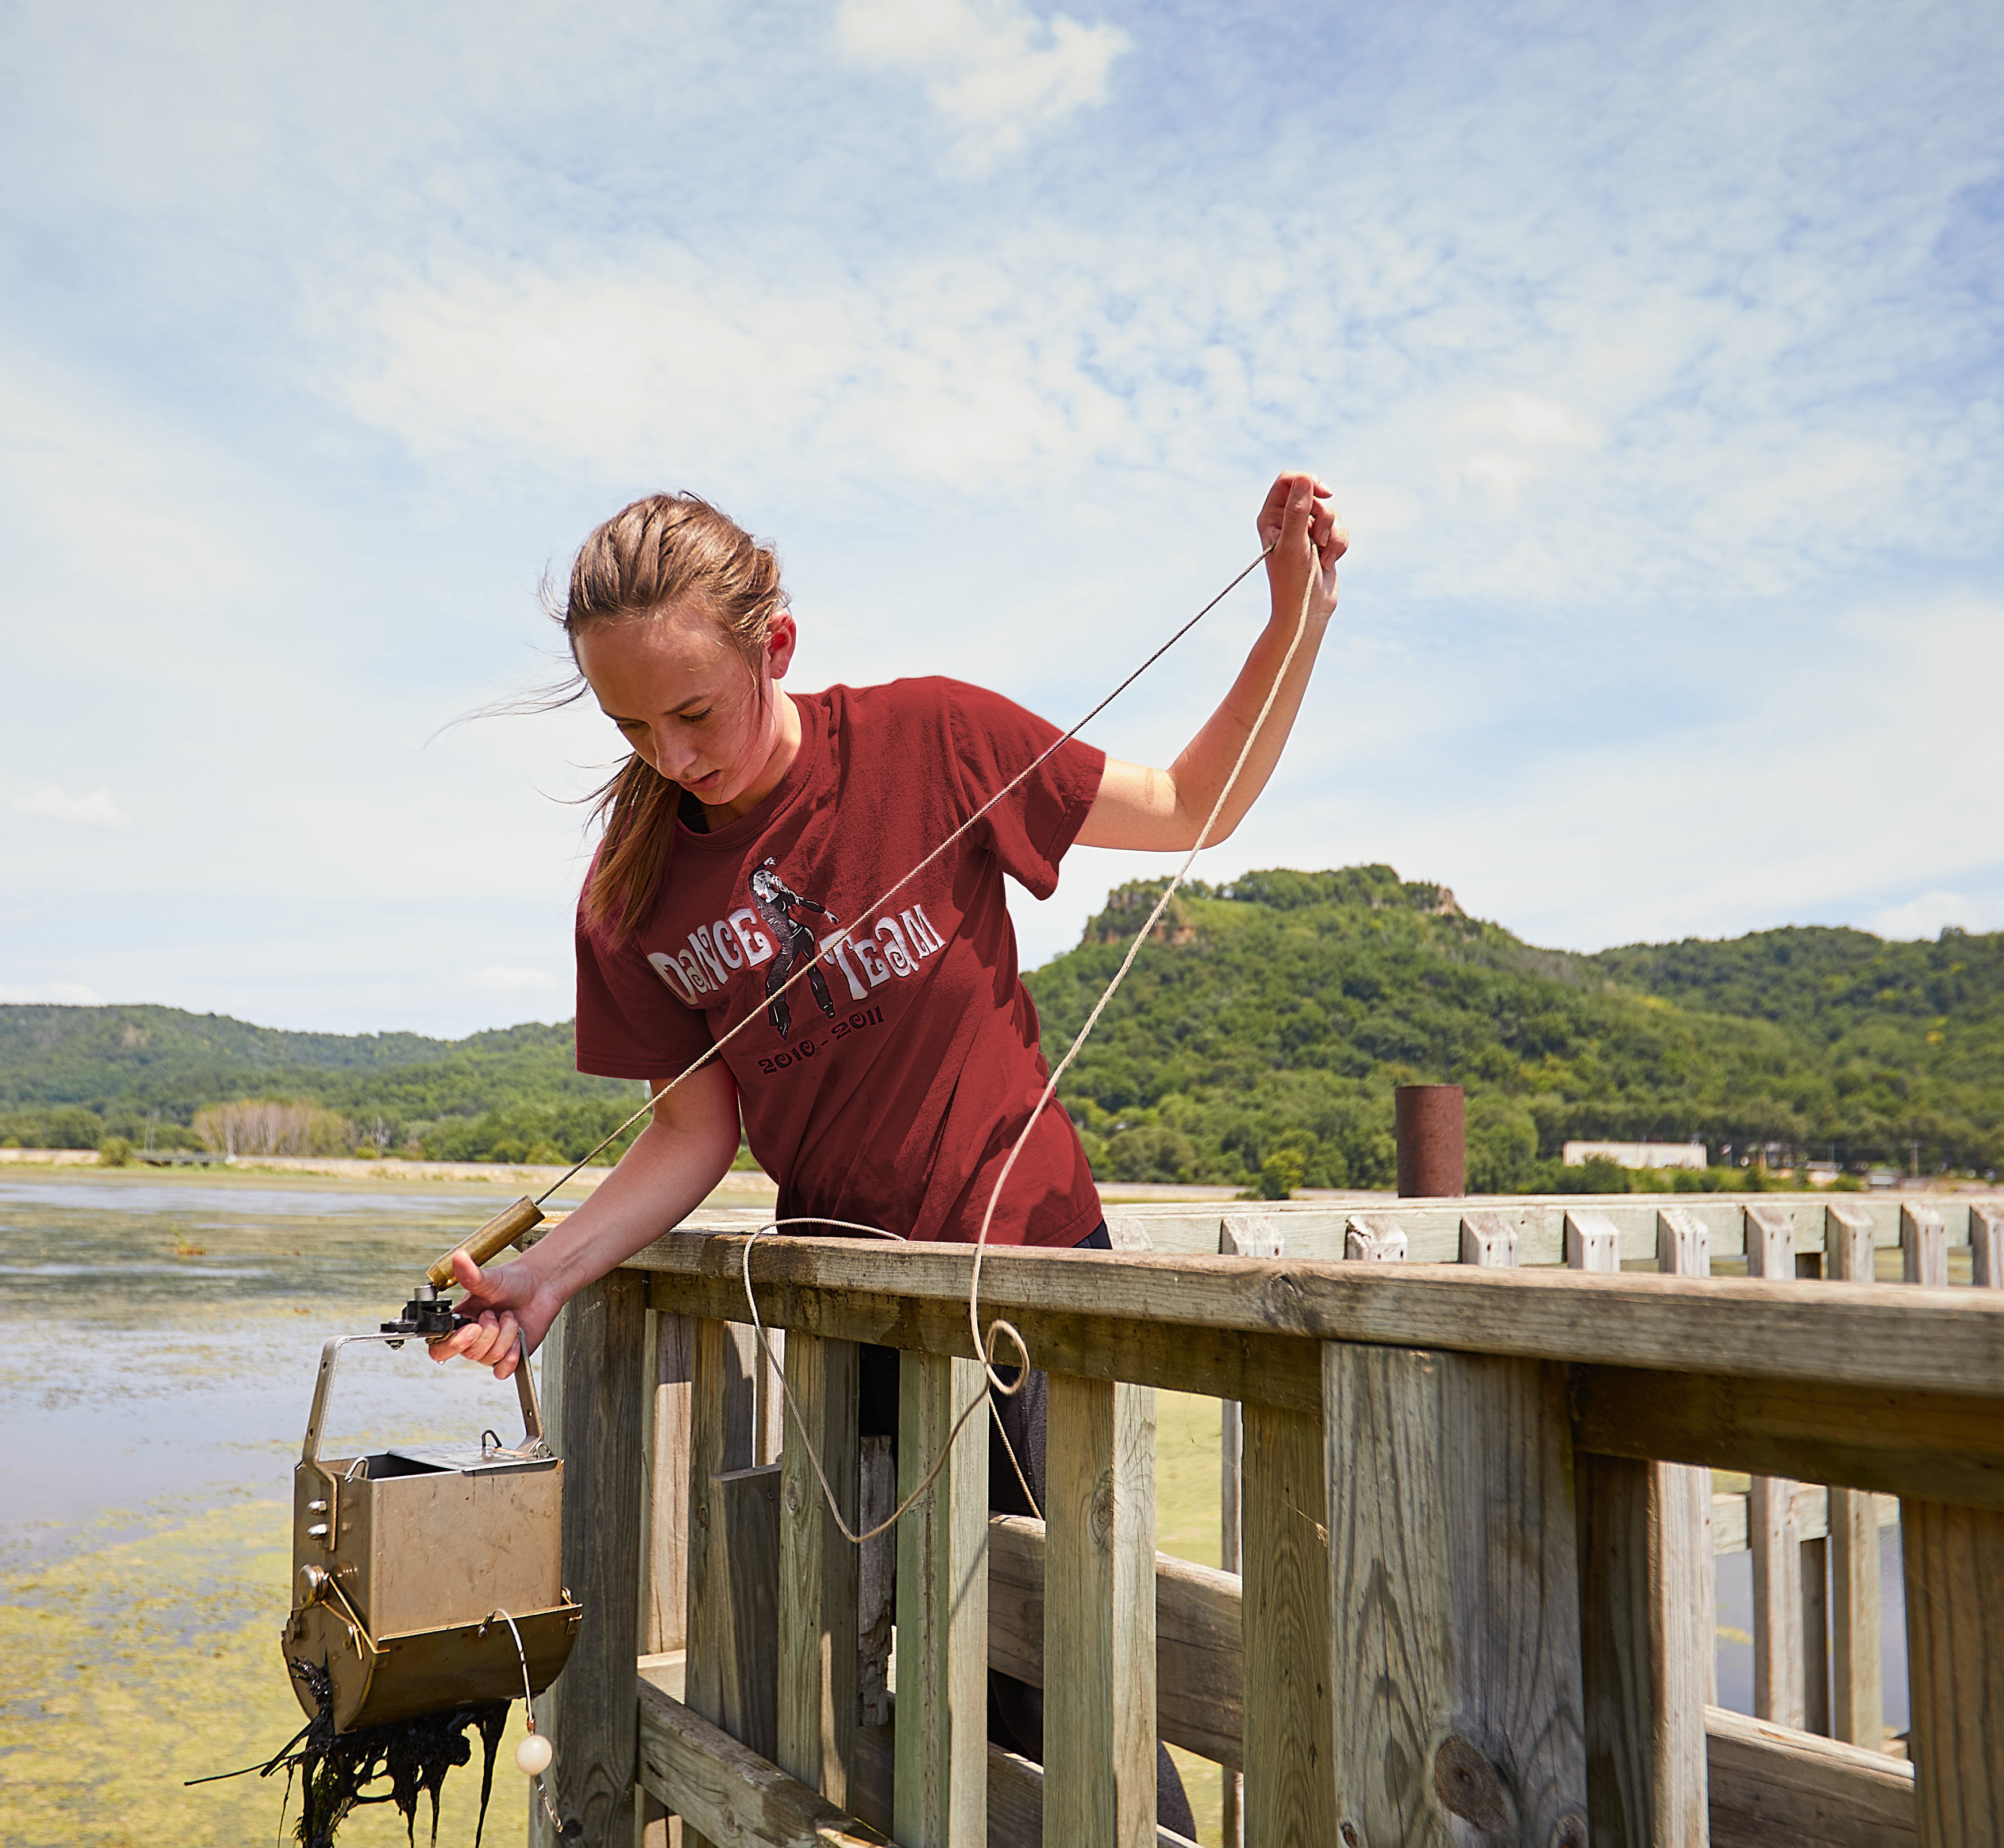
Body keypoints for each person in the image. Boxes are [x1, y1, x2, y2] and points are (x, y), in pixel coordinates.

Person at [434, 474, 1344, 1822]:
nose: (671, 755)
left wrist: (1291, 617)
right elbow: (691, 1130)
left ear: (776, 647)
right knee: (892, 1685)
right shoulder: (631, 889)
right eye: (631, 725)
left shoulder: (931, 740)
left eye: (694, 711)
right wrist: (547, 1272)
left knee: (1075, 1675)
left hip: (1035, 1294)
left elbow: (1190, 804)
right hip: (853, 1321)